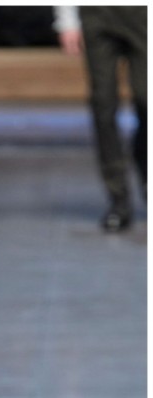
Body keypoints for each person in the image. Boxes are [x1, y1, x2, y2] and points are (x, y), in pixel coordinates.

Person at [53, 6, 147, 232]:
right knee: (103, 104)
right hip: (97, 13)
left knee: (146, 100)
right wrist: (66, 21)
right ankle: (118, 199)